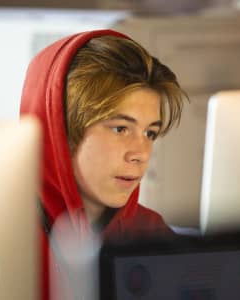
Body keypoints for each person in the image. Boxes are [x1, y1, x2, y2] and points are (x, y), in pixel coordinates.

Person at [20, 29, 187, 300]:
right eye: (120, 129)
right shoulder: (1, 241)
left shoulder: (150, 232)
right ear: (60, 130)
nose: (140, 154)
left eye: (150, 133)